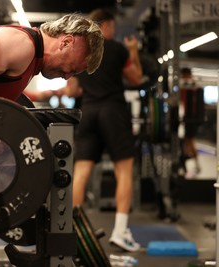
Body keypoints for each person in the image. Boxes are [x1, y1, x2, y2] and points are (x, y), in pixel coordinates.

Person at [70, 8, 143, 252]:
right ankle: (121, 232)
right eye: (112, 26)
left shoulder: (84, 50)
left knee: (81, 172)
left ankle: (72, 231)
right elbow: (136, 78)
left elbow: (72, 91)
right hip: (113, 111)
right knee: (124, 171)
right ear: (107, 25)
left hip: (88, 111)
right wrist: (133, 50)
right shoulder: (117, 48)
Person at [179, 67, 204, 177]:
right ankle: (185, 165)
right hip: (185, 118)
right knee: (186, 142)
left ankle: (196, 164)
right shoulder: (183, 87)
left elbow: (197, 105)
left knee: (189, 141)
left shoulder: (194, 87)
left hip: (191, 119)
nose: (184, 78)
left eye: (186, 76)